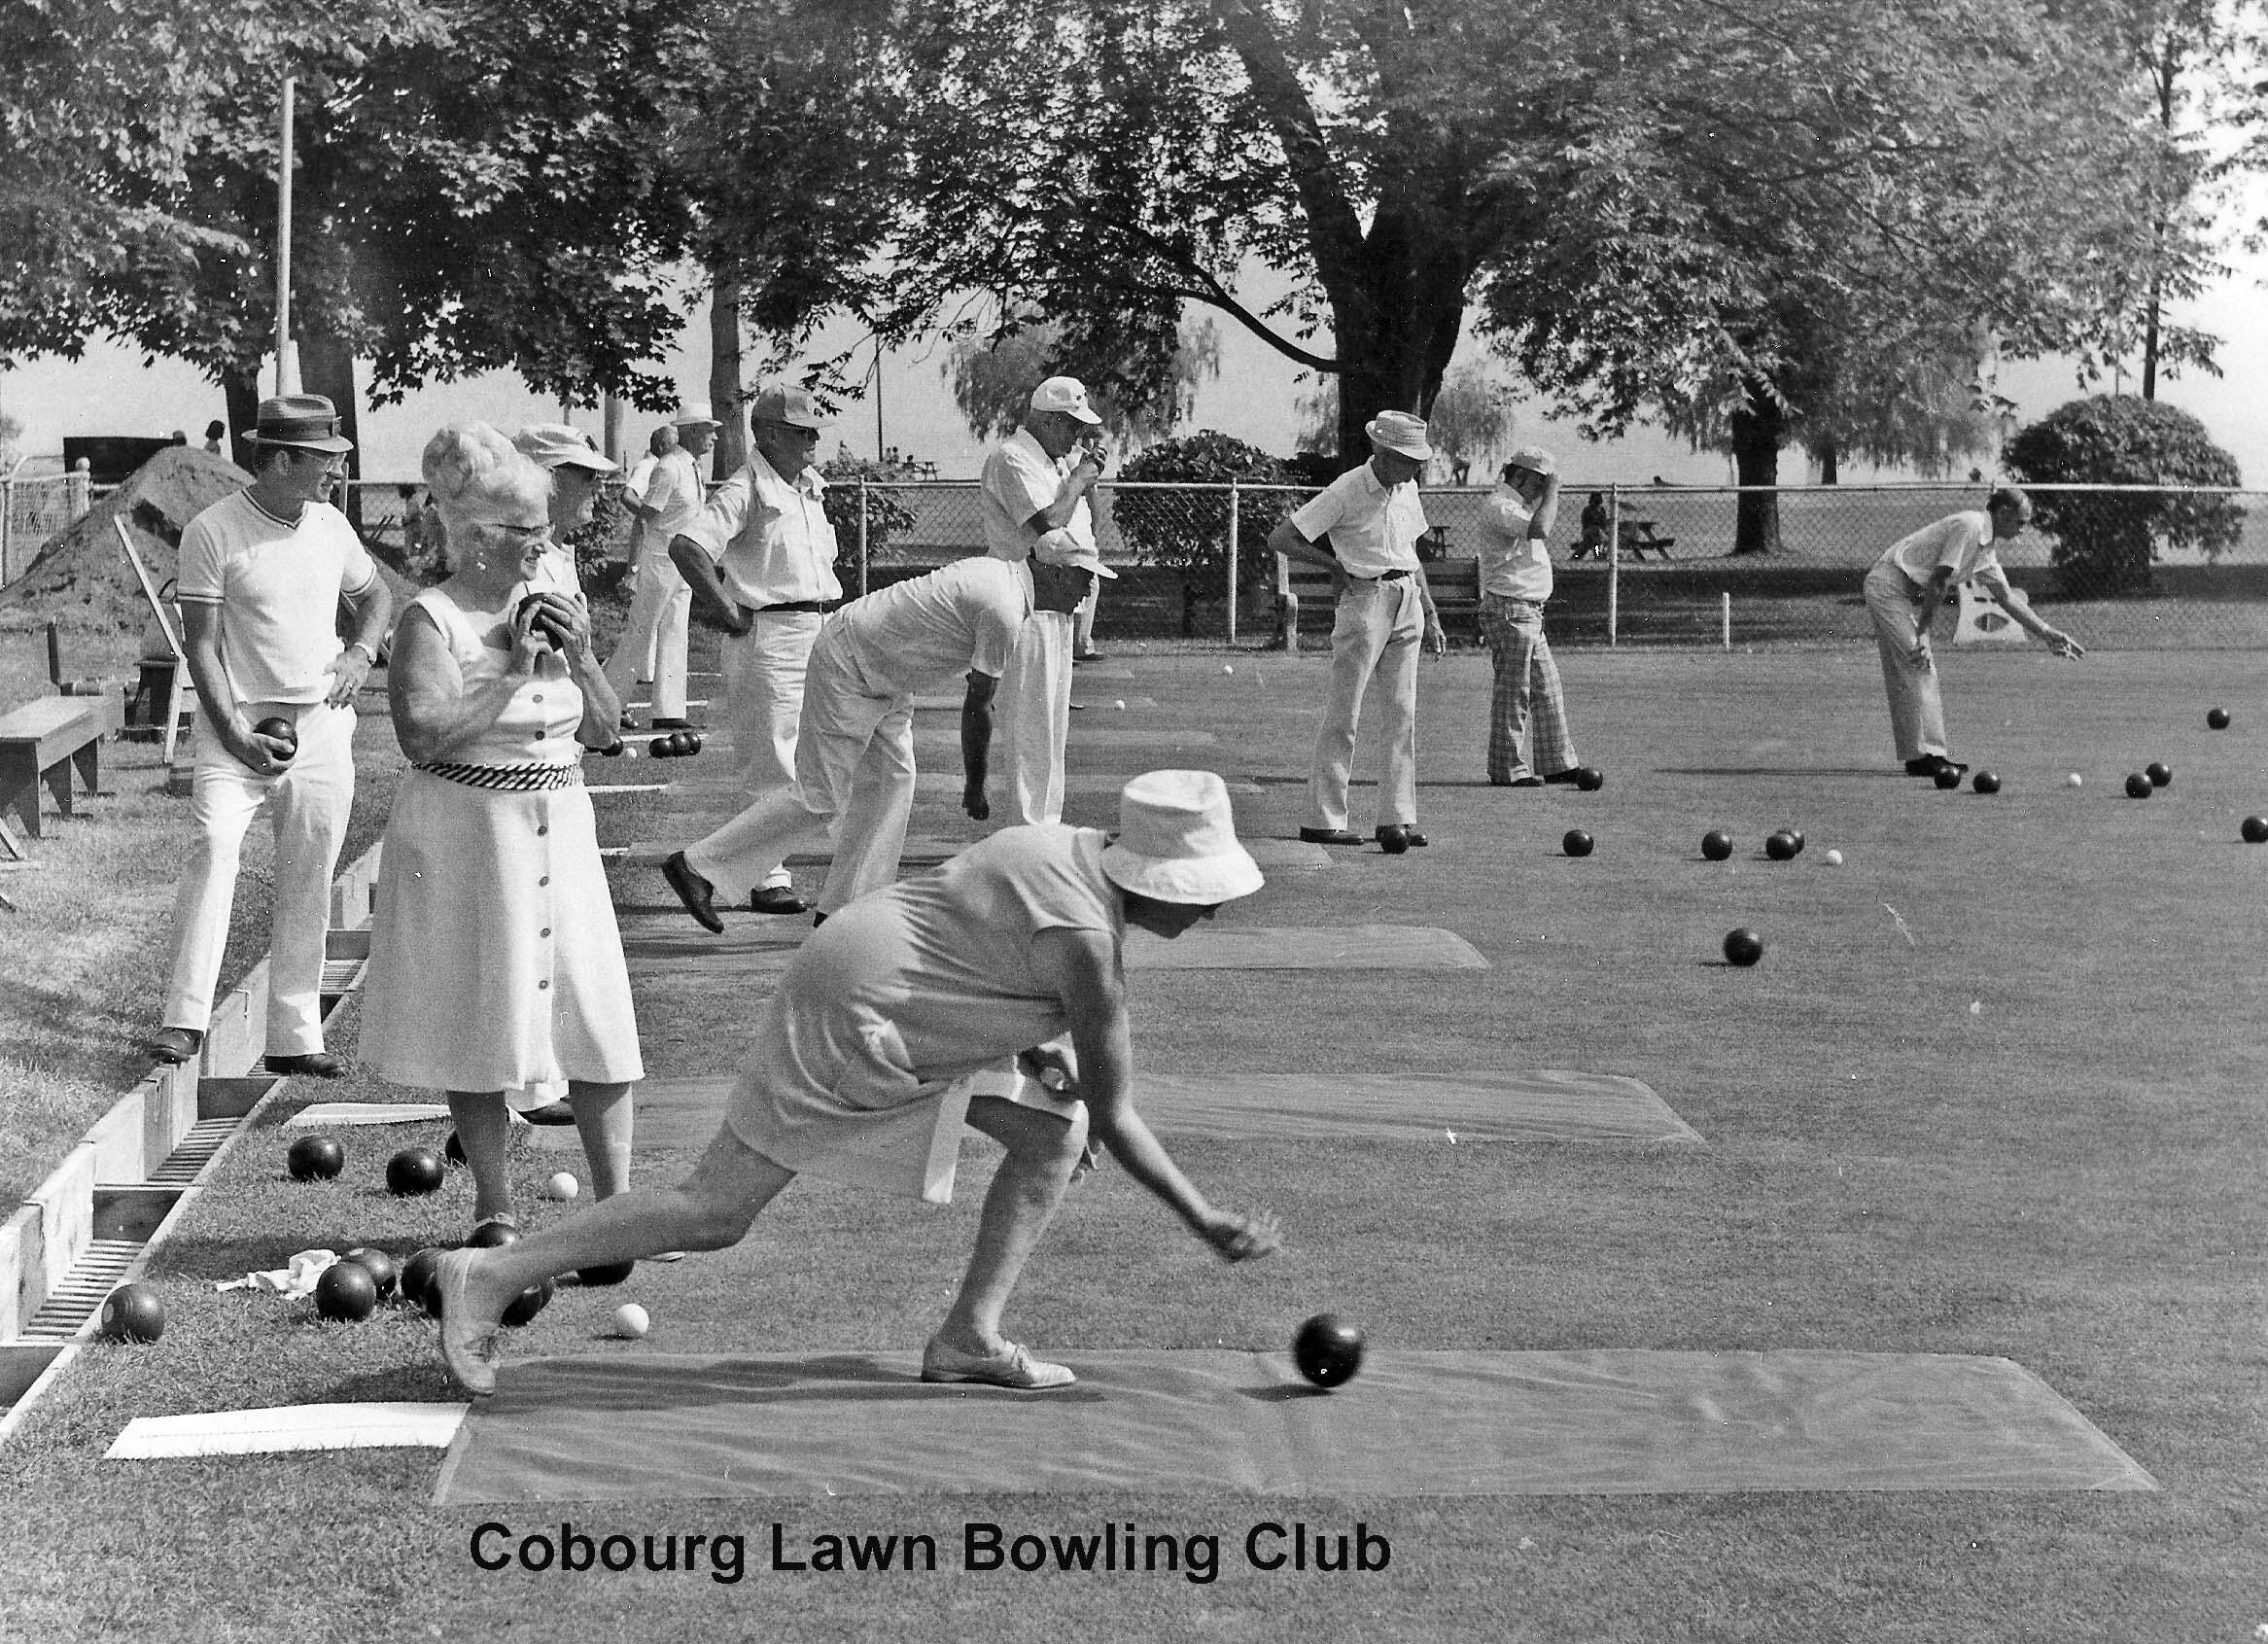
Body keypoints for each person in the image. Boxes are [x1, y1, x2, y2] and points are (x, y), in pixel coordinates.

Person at [432, 768, 1283, 1397]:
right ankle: (492, 1275)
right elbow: (1117, 1115)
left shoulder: (1060, 845)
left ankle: (968, 1337)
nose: (1208, 910)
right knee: (716, 1208)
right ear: (1147, 875)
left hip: (865, 977)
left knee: (1047, 1133)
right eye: (1200, 893)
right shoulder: (1090, 944)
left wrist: (1030, 1055)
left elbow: (969, 950)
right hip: (861, 1016)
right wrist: (1203, 1218)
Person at [357, 425, 637, 1240]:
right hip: (469, 839)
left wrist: (582, 659)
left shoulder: (553, 608)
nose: (541, 546)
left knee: (596, 1011)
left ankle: (617, 1209)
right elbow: (423, 733)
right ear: (479, 539)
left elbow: (607, 732)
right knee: (483, 1009)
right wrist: (512, 671)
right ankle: (495, 1203)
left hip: (562, 827)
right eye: (528, 533)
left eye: (544, 531)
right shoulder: (429, 620)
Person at [141, 395, 394, 1073]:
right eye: (324, 461)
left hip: (321, 727)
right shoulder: (211, 530)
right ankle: (184, 1020)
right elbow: (202, 649)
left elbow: (377, 600)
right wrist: (235, 733)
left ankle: (293, 1034)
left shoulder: (333, 527)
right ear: (280, 459)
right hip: (239, 722)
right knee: (215, 843)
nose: (335, 473)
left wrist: (360, 654)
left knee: (310, 873)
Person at [657, 548, 1097, 930]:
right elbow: (978, 708)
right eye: (1085, 576)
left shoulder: (1003, 582)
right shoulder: (1004, 606)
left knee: (895, 780)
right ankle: (698, 867)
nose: (1089, 590)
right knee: (820, 796)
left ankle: (848, 910)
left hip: (887, 671)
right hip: (852, 664)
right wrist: (975, 785)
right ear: (1055, 573)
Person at [667, 383, 843, 917]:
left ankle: (745, 866)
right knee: (774, 759)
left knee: (833, 755)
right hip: (771, 634)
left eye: (814, 430)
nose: (813, 439)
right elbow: (688, 545)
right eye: (800, 431)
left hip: (821, 628)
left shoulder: (808, 487)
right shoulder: (747, 490)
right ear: (766, 434)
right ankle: (767, 877)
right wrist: (723, 608)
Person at [1267, 409, 1446, 853]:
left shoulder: (1408, 489)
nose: (1413, 467)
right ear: (1380, 451)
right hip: (1365, 603)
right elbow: (1282, 537)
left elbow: (1411, 552)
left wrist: (1429, 607)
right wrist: (1334, 565)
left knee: (1403, 715)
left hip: (1407, 601)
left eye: (1416, 460)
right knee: (1345, 714)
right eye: (1406, 458)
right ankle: (1321, 819)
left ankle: (1397, 818)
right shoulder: (1347, 488)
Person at [1864, 485, 2083, 777]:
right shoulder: (1970, 526)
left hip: (1899, 590)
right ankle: (1925, 757)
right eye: (2020, 522)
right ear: (2003, 513)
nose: (2022, 531)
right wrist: (1923, 634)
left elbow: (2006, 597)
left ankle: (1923, 756)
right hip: (1887, 586)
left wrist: (2046, 632)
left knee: (1916, 665)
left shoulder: (1986, 548)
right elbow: (1938, 582)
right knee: (1918, 662)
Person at [978, 377, 1111, 825]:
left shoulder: (1055, 464)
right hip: (1024, 599)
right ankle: (1027, 828)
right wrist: (1076, 480)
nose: (1078, 437)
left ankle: (1045, 825)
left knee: (1053, 725)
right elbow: (1048, 526)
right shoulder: (1012, 459)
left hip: (1059, 599)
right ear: (1051, 420)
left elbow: (1085, 535)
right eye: (1073, 426)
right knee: (1029, 722)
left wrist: (1081, 479)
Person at [603, 402, 718, 730]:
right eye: (710, 430)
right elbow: (647, 514)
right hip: (659, 561)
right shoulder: (669, 467)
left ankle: (669, 711)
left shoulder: (691, 466)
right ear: (693, 430)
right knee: (641, 632)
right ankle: (606, 705)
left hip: (683, 562)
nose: (715, 438)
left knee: (675, 631)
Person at [1478, 447, 1586, 787]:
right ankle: (1506, 768)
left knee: (1547, 689)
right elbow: (1541, 528)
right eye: (1539, 484)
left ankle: (1556, 764)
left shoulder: (1517, 507)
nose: (1542, 492)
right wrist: (1554, 490)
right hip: (1511, 609)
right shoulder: (1500, 506)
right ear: (1521, 476)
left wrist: (1546, 489)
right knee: (1516, 691)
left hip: (1528, 612)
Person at [512, 422, 618, 595]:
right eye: (589, 475)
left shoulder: (557, 555)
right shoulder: (523, 568)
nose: (600, 489)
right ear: (548, 477)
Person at [1571, 492, 1610, 561]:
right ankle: (1598, 556)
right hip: (1588, 531)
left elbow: (1604, 525)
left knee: (1590, 542)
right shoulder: (1587, 510)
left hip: (1598, 534)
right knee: (1595, 533)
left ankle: (1576, 557)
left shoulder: (1602, 510)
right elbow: (1586, 525)